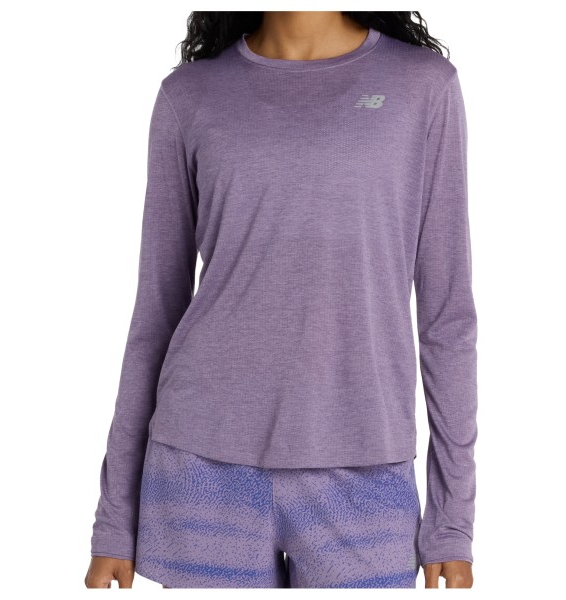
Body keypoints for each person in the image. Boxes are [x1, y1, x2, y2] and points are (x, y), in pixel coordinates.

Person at [84, 10, 477, 589]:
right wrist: (116, 518)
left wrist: (451, 520)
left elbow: (448, 318)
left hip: (365, 467)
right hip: (202, 467)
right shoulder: (189, 95)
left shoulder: (423, 87)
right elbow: (156, 314)